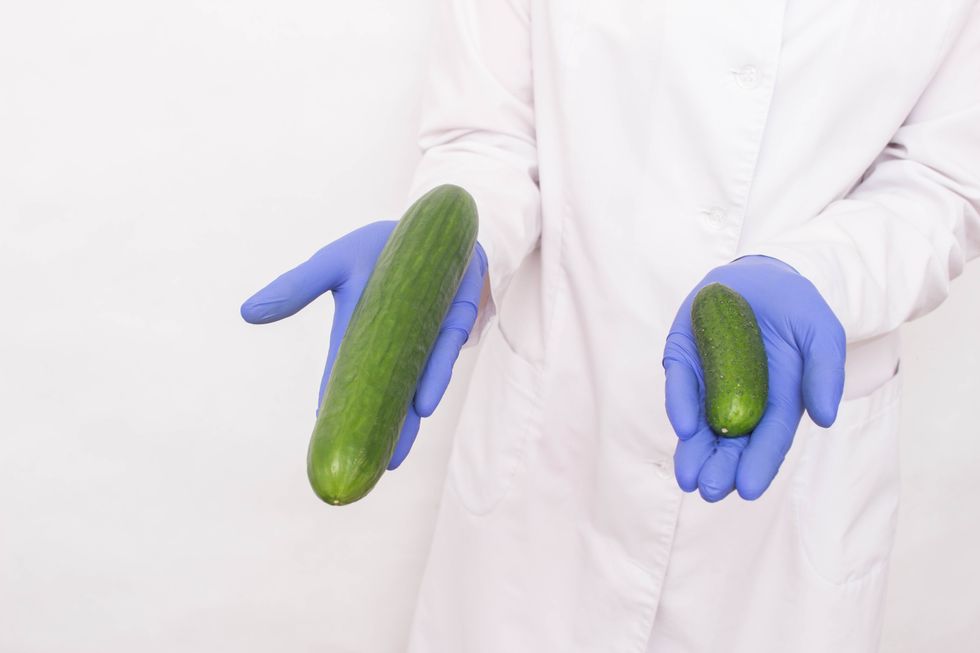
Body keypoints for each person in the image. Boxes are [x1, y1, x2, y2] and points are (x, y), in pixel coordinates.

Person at [241, 1, 980, 650]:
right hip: (555, 450)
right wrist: (453, 244)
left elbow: (946, 178)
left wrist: (820, 272)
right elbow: (487, 132)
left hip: (787, 508)